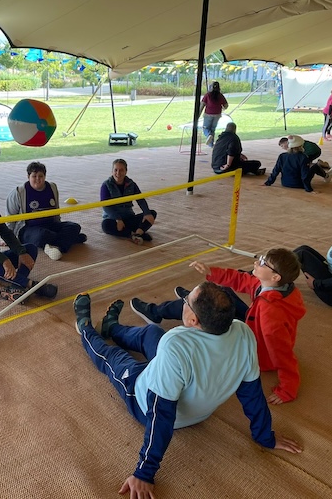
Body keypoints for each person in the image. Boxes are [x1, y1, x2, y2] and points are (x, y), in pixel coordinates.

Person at [73, 283, 302, 497]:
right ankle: (113, 328)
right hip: (192, 399)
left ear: (192, 319)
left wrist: (144, 472)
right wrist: (264, 436)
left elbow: (161, 413)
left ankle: (85, 329)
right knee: (151, 333)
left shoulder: (175, 344)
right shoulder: (243, 333)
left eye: (185, 300)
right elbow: (251, 393)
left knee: (114, 357)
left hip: (142, 398)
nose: (182, 302)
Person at [130, 249, 306, 404]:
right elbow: (240, 279)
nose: (256, 262)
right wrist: (211, 272)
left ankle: (168, 308)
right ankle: (193, 299)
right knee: (223, 292)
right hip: (254, 321)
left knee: (202, 309)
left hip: (253, 347)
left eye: (262, 263)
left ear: (275, 277)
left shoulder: (271, 314)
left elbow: (281, 351)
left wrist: (288, 388)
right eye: (260, 258)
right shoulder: (271, 287)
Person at [6, 161, 86, 261]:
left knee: (74, 227)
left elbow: (56, 211)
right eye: (34, 176)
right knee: (43, 235)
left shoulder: (52, 187)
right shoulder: (19, 192)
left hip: (50, 225)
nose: (37, 179)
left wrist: (61, 226)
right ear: (28, 176)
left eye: (40, 176)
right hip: (29, 229)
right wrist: (9, 238)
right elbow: (10, 217)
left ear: (45, 176)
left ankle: (57, 247)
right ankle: (69, 240)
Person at [100, 158, 157, 244]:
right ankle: (132, 235)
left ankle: (137, 234)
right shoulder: (106, 185)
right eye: (115, 170)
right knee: (105, 226)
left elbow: (140, 199)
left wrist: (147, 213)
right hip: (113, 219)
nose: (118, 173)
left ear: (126, 171)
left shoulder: (131, 184)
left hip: (129, 217)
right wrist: (118, 219)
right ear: (112, 171)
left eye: (121, 170)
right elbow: (106, 206)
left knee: (152, 213)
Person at [264, 135, 332, 193]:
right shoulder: (303, 157)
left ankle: (325, 173)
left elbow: (275, 171)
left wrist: (268, 183)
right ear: (301, 146)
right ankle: (326, 176)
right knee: (314, 166)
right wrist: (309, 190)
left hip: (285, 183)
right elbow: (304, 176)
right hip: (299, 184)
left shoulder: (282, 156)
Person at [198, 81, 228, 147]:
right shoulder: (220, 95)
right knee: (212, 129)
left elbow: (202, 106)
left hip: (208, 114)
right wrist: (223, 108)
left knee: (205, 128)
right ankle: (211, 144)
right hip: (217, 114)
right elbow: (226, 105)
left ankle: (209, 135)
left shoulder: (207, 95)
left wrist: (198, 115)